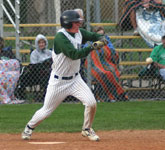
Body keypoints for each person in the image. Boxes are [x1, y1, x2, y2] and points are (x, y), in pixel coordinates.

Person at [21, 10, 107, 141]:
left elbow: (93, 35)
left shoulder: (79, 32)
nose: (79, 24)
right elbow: (74, 54)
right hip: (58, 82)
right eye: (76, 22)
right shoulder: (60, 37)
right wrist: (92, 47)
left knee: (91, 103)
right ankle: (29, 127)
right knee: (46, 111)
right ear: (68, 24)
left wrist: (101, 39)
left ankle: (87, 129)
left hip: (75, 79)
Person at [85, 26, 128, 102]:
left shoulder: (106, 40)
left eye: (103, 34)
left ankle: (116, 95)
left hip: (106, 63)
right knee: (103, 73)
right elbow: (86, 49)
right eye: (99, 35)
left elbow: (111, 51)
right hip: (94, 65)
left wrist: (104, 47)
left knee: (112, 72)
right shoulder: (90, 41)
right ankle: (112, 95)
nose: (102, 37)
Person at [0, 37, 24, 104]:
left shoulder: (6, 53)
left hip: (8, 75)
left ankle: (8, 96)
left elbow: (16, 62)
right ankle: (4, 98)